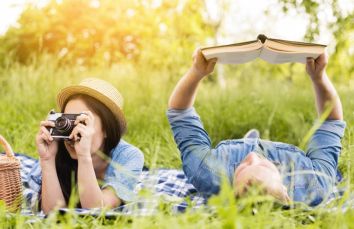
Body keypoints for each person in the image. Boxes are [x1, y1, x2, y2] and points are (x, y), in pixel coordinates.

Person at [167, 49, 346, 206]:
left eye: (243, 167)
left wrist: (196, 72)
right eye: (267, 166)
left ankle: (247, 141)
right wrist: (319, 77)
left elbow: (179, 112)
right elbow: (330, 122)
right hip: (288, 158)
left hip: (230, 155)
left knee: (246, 150)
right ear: (285, 190)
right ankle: (253, 148)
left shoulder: (207, 172)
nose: (253, 157)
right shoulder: (314, 183)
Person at [34, 78, 144, 214]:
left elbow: (95, 210)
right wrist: (47, 160)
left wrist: (84, 156)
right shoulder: (56, 147)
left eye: (82, 122)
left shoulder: (129, 156)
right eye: (69, 120)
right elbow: (53, 214)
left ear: (107, 129)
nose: (73, 133)